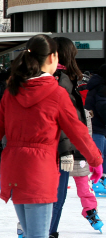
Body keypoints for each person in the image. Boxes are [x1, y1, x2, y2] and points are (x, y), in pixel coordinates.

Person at [0, 34, 103, 238]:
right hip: (40, 171)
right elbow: (77, 131)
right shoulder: (57, 93)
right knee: (38, 235)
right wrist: (96, 160)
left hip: (14, 171)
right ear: (53, 57)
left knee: (31, 233)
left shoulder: (12, 92)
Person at [49, 37, 103, 237]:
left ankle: (89, 210)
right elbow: (65, 119)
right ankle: (43, 230)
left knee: (68, 188)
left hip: (68, 148)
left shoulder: (63, 79)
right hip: (62, 149)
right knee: (55, 196)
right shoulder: (61, 79)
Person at [86, 64, 106, 197]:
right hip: (99, 127)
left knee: (101, 156)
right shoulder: (102, 88)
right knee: (99, 156)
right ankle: (97, 183)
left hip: (98, 126)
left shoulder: (98, 85)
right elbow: (102, 107)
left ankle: (100, 182)